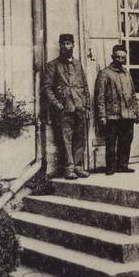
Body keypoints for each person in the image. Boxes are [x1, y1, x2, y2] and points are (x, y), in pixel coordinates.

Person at [41, 33, 91, 180]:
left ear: (73, 45)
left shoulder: (78, 64)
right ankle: (69, 168)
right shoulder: (53, 65)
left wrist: (87, 106)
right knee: (65, 138)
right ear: (60, 46)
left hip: (80, 107)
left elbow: (85, 86)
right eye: (63, 44)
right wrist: (57, 104)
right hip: (64, 108)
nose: (65, 47)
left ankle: (78, 167)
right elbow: (47, 88)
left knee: (80, 137)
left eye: (68, 43)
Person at [94, 45, 139, 175]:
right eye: (117, 57)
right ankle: (111, 167)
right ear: (112, 57)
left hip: (127, 115)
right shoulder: (104, 73)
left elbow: (132, 95)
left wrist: (137, 113)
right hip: (112, 115)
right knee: (111, 143)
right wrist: (102, 116)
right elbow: (100, 97)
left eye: (123, 57)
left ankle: (123, 165)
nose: (120, 60)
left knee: (126, 141)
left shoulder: (127, 73)